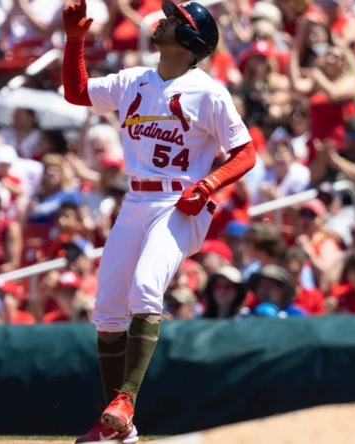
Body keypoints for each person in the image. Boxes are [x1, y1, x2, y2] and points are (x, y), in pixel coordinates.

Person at [62, 1, 256, 442]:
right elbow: (77, 93)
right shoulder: (136, 79)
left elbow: (245, 153)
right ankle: (117, 429)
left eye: (175, 20)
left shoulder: (208, 91)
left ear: (190, 41)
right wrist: (74, 41)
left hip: (179, 203)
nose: (162, 20)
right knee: (108, 306)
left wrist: (208, 186)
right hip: (135, 199)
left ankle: (126, 399)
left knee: (146, 286)